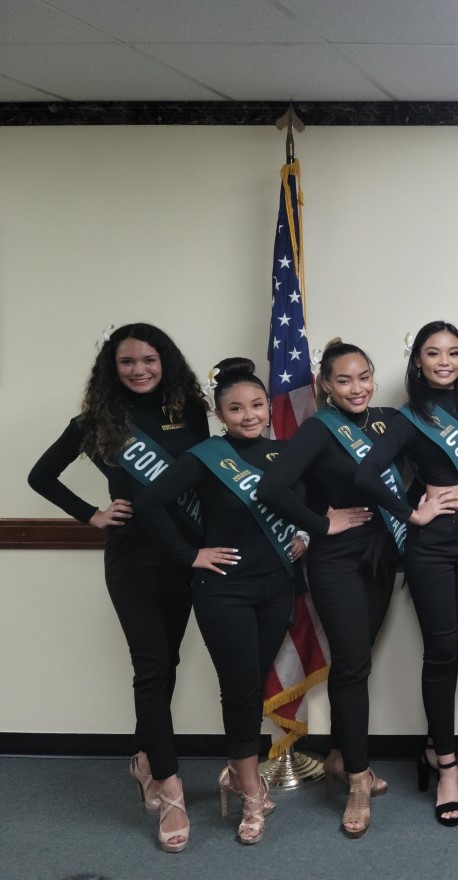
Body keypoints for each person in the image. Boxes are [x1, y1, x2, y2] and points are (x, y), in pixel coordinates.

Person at [28, 323, 208, 853]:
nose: (139, 370)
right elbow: (42, 476)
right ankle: (170, 790)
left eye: (149, 359)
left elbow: (208, 476)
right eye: (127, 361)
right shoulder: (98, 422)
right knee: (151, 666)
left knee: (167, 662)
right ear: (112, 367)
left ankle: (145, 758)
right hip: (133, 557)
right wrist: (92, 514)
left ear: (165, 361)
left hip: (184, 553)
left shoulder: (191, 412)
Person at [133, 358, 310, 845]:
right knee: (238, 688)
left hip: (275, 585)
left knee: (251, 686)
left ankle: (238, 773)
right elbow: (150, 503)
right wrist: (189, 555)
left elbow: (305, 506)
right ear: (220, 413)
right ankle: (252, 792)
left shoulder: (284, 453)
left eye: (256, 405)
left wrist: (304, 536)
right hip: (224, 591)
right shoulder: (206, 455)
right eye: (236, 408)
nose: (249, 415)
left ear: (268, 408)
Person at [259, 339, 402, 839]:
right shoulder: (319, 429)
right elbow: (270, 489)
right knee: (353, 663)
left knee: (357, 659)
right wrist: (321, 523)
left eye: (364, 376)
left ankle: (343, 756)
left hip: (382, 558)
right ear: (325, 385)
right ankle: (358, 780)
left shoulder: (386, 420)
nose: (357, 388)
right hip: (337, 561)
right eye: (344, 380)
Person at [354, 320, 458, 827]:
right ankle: (449, 771)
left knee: (453, 649)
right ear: (418, 361)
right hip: (431, 550)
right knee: (440, 655)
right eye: (433, 353)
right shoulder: (410, 417)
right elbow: (365, 473)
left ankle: (434, 752)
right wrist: (415, 508)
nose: (444, 362)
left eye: (453, 353)